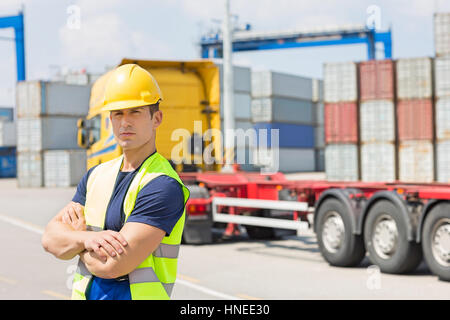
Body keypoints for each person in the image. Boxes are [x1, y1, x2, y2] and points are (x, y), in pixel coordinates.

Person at [41, 64, 190, 300]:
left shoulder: (162, 185)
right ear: (110, 118)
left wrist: (74, 244)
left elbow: (112, 265)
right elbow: (50, 239)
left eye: (135, 112)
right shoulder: (95, 176)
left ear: (156, 118)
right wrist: (87, 238)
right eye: (118, 113)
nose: (125, 122)